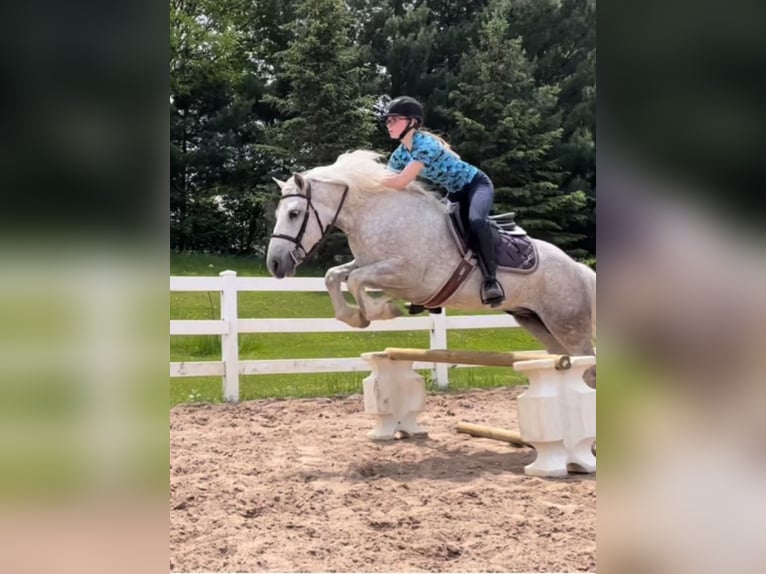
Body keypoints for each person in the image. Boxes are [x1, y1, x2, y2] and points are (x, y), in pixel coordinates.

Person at [380, 95, 505, 308]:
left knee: (476, 221)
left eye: (394, 119)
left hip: (476, 185)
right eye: (387, 121)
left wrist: (365, 179)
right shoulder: (400, 154)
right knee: (433, 233)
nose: (388, 125)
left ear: (412, 122)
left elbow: (401, 181)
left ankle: (491, 282)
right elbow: (387, 179)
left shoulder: (425, 144)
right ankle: (429, 292)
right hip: (455, 193)